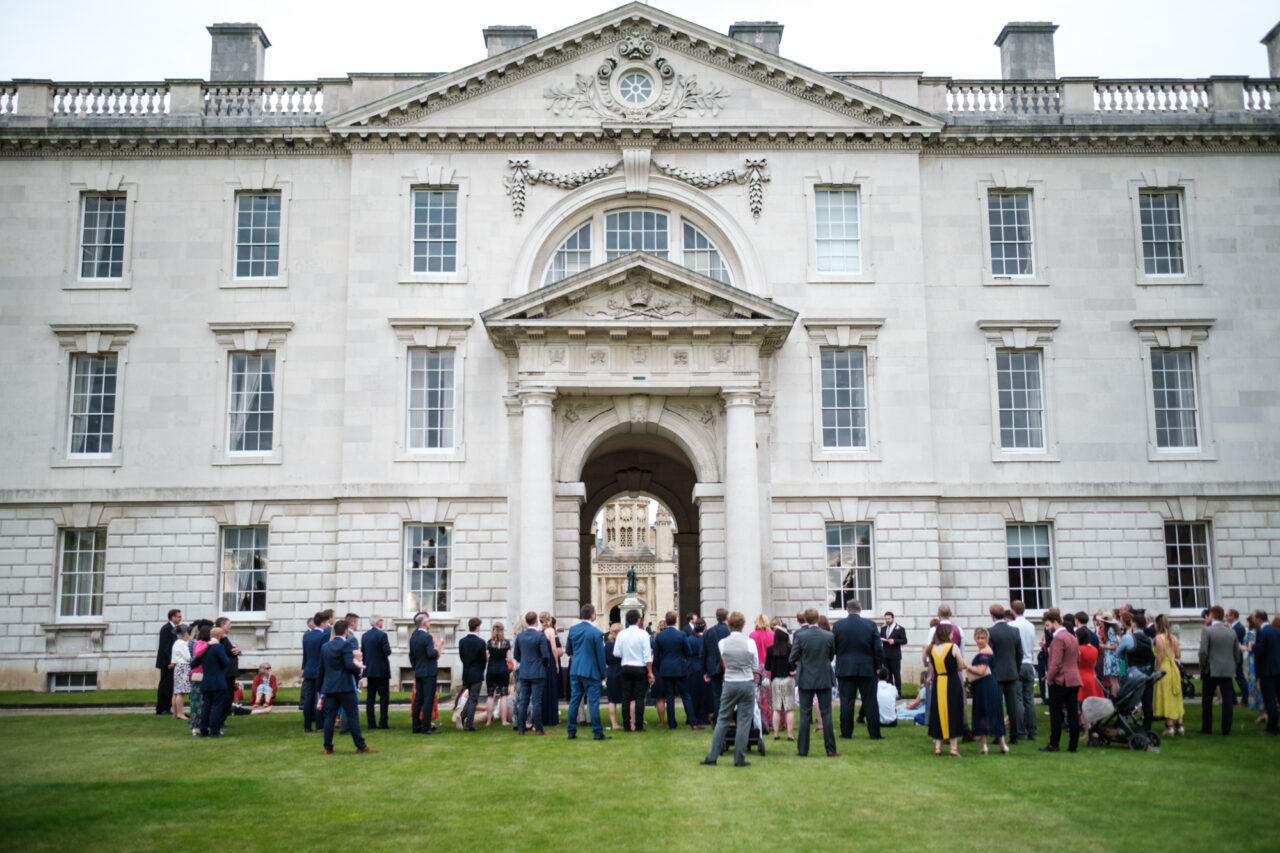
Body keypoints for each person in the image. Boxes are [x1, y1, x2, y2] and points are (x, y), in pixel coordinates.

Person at [700, 611, 760, 767]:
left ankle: (712, 756)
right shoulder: (750, 643)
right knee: (744, 721)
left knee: (722, 720)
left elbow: (724, 661)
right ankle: (739, 758)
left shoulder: (722, 643)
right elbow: (755, 666)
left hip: (730, 682)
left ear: (729, 624)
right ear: (743, 625)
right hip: (746, 682)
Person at [320, 619, 376, 754]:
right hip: (344, 686)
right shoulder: (346, 645)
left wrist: (320, 688)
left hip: (329, 687)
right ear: (346, 631)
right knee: (352, 716)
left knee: (329, 718)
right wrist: (360, 672)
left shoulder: (325, 646)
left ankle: (327, 747)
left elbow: (321, 669)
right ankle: (361, 746)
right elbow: (349, 665)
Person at [832, 598, 883, 741]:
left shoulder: (838, 626)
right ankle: (874, 733)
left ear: (847, 610)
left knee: (846, 702)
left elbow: (833, 647)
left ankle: (846, 732)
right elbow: (878, 649)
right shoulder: (870, 625)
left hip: (846, 667)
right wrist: (878, 666)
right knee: (870, 701)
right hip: (867, 667)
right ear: (860, 610)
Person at [791, 607, 838, 758]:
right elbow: (831, 656)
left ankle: (803, 750)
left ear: (806, 619)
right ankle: (830, 749)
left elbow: (792, 657)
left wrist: (803, 663)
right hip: (823, 676)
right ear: (817, 619)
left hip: (806, 678)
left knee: (805, 714)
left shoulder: (800, 636)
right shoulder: (828, 635)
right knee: (826, 714)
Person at [1040, 608, 1082, 754]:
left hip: (1060, 680)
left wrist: (1049, 678)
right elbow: (1078, 658)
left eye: (1047, 625)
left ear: (1055, 622)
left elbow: (1056, 663)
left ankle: (1054, 744)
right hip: (1074, 678)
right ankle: (1073, 746)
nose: (1047, 629)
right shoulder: (1072, 636)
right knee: (1072, 713)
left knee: (1056, 713)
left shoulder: (1058, 638)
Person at [565, 603, 609, 740]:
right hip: (591, 671)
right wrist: (604, 675)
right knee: (594, 703)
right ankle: (597, 732)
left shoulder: (573, 630)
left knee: (574, 701)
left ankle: (571, 731)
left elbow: (568, 650)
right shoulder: (596, 632)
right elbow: (600, 656)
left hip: (575, 669)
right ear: (592, 615)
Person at [986, 604, 1023, 745]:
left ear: (992, 616)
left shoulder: (991, 632)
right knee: (1012, 705)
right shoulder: (1014, 631)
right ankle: (1015, 735)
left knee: (997, 706)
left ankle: (999, 735)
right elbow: (1019, 653)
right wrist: (1016, 669)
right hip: (1012, 672)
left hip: (997, 673)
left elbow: (990, 655)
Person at [967, 627, 1008, 755]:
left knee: (987, 712)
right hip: (984, 685)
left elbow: (980, 671)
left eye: (982, 638)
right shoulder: (985, 651)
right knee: (987, 713)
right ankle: (993, 745)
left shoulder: (985, 652)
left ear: (987, 639)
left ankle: (994, 745)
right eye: (978, 638)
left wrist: (966, 666)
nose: (980, 640)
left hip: (986, 685)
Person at [927, 623, 965, 756]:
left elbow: (931, 666)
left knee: (938, 711)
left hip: (938, 681)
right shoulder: (953, 647)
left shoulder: (931, 648)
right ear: (946, 634)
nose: (952, 635)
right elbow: (960, 665)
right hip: (952, 681)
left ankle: (938, 746)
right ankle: (953, 748)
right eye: (950, 633)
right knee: (953, 711)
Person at [654, 610, 697, 729]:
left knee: (670, 696)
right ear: (676, 620)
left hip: (666, 668)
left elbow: (656, 655)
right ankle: (693, 722)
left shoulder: (660, 636)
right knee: (686, 695)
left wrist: (659, 668)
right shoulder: (681, 635)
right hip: (679, 667)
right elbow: (688, 651)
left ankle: (672, 724)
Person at [1199, 605, 1237, 735]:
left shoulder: (1207, 631)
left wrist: (1203, 666)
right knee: (1227, 700)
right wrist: (1233, 665)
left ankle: (1207, 727)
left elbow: (1203, 652)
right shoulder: (1231, 632)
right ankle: (1226, 729)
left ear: (1212, 615)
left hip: (1211, 668)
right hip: (1227, 669)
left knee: (1207, 699)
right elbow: (1236, 652)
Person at [614, 609, 654, 732]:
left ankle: (626, 725)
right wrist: (650, 672)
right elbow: (647, 656)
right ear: (638, 620)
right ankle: (638, 725)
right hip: (640, 667)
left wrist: (627, 654)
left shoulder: (621, 634)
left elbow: (616, 653)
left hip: (626, 666)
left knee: (626, 697)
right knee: (639, 698)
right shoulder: (643, 634)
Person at [513, 610, 551, 735]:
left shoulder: (520, 636)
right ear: (536, 621)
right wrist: (543, 665)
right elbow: (545, 655)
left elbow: (516, 655)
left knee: (523, 700)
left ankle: (521, 728)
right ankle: (539, 729)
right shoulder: (540, 636)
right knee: (536, 701)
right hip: (537, 671)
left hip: (524, 672)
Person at [193, 626, 231, 738]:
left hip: (206, 681)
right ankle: (215, 730)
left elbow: (194, 663)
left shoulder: (204, 647)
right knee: (217, 706)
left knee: (206, 706)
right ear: (220, 636)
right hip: (218, 681)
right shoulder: (218, 647)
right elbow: (226, 662)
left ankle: (203, 730)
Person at [1007, 600, 1038, 741]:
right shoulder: (1031, 626)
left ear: (1012, 610)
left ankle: (1020, 731)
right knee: (1029, 699)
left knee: (1018, 699)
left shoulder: (1012, 625)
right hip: (1029, 662)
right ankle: (1032, 731)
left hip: (1018, 663)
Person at [1150, 614, 1184, 736]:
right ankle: (1180, 725)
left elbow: (1159, 657)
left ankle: (1169, 726)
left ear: (1157, 624)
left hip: (1164, 668)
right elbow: (1178, 655)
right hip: (1174, 668)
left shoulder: (1159, 638)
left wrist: (1156, 671)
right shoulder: (1173, 638)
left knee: (1166, 696)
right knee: (1176, 695)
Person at [408, 612, 439, 735]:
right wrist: (437, 650)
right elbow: (431, 654)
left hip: (419, 671)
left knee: (418, 699)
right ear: (424, 623)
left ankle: (416, 726)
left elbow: (411, 656)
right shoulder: (427, 637)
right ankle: (426, 727)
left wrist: (416, 667)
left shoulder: (413, 636)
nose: (430, 623)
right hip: (429, 671)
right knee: (428, 700)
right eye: (429, 621)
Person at [360, 614, 392, 730]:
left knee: (370, 698)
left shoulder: (365, 636)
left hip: (370, 670)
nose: (382, 622)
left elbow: (363, 652)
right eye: (381, 620)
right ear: (377, 622)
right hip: (381, 670)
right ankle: (383, 722)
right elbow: (387, 652)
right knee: (384, 697)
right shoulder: (382, 635)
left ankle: (371, 722)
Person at [1251, 609, 1280, 736]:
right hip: (1278, 669)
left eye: (1253, 618)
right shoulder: (1277, 630)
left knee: (1270, 700)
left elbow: (1260, 650)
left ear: (1259, 619)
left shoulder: (1262, 632)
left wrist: (1252, 646)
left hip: (1267, 671)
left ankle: (1272, 727)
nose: (1252, 620)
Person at [300, 611, 329, 733]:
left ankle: (307, 725)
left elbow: (306, 655)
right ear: (322, 623)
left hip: (308, 669)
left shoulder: (306, 636)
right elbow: (324, 654)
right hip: (319, 670)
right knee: (319, 697)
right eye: (326, 622)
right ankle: (319, 725)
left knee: (308, 698)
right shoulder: (324, 636)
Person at [457, 617, 487, 731]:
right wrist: (481, 669)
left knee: (471, 697)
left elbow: (462, 657)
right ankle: (469, 724)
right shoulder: (480, 642)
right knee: (473, 698)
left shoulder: (462, 641)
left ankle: (462, 716)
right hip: (476, 672)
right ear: (477, 627)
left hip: (467, 672)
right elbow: (483, 659)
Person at [767, 627, 796, 741]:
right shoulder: (790, 649)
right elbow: (793, 664)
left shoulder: (770, 650)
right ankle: (790, 734)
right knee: (789, 708)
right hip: (788, 679)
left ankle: (776, 734)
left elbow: (767, 666)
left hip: (775, 680)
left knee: (777, 708)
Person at [702, 608, 730, 723]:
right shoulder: (730, 631)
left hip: (713, 667)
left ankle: (719, 720)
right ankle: (728, 718)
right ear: (726, 617)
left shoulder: (708, 632)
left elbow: (703, 653)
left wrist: (705, 671)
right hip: (728, 666)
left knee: (717, 695)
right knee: (729, 695)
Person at [213, 617, 241, 731]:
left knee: (228, 696)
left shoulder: (225, 638)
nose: (230, 626)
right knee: (226, 697)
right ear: (222, 625)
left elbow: (233, 651)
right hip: (226, 672)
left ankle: (221, 720)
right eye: (229, 624)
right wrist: (235, 649)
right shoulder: (220, 639)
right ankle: (219, 721)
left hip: (229, 671)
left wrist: (237, 649)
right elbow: (229, 652)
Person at [748, 614, 774, 731]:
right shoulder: (772, 635)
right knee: (769, 695)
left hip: (756, 668)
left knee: (757, 695)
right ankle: (771, 719)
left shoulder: (752, 635)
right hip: (769, 667)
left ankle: (759, 720)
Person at [155, 608, 181, 716]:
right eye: (178, 616)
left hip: (171, 661)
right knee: (165, 685)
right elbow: (164, 647)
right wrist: (169, 661)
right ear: (172, 617)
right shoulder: (166, 629)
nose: (180, 618)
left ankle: (166, 707)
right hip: (167, 662)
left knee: (170, 685)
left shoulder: (173, 628)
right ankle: (162, 708)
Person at [187, 622, 211, 737]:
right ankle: (196, 726)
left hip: (207, 675)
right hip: (198, 676)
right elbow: (197, 654)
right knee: (197, 703)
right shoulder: (199, 643)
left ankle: (204, 725)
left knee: (205, 703)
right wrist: (208, 644)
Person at [540, 612, 561, 727]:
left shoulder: (539, 631)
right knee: (552, 688)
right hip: (550, 662)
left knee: (542, 690)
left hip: (542, 662)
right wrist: (557, 663)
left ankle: (542, 717)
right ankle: (552, 718)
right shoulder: (550, 631)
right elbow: (553, 648)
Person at [880, 611, 907, 696]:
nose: (887, 620)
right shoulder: (883, 628)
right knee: (888, 674)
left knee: (896, 674)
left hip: (895, 655)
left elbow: (904, 641)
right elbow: (881, 637)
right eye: (886, 619)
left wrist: (895, 641)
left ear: (892, 618)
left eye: (888, 618)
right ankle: (890, 692)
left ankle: (898, 692)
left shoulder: (900, 628)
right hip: (885, 654)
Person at [1244, 612, 1263, 724]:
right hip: (1261, 661)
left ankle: (1261, 713)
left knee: (1255, 687)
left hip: (1253, 662)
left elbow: (1249, 647)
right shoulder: (1262, 632)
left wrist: (1242, 647)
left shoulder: (1250, 633)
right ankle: (1265, 712)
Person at [169, 623, 192, 721]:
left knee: (176, 691)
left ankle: (175, 713)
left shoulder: (176, 642)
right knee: (181, 692)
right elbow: (188, 657)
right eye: (188, 633)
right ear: (184, 634)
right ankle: (180, 713)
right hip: (183, 667)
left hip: (178, 667)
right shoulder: (182, 644)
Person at [604, 622, 624, 731]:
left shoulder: (608, 644)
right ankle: (629, 721)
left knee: (612, 699)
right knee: (626, 697)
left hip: (611, 671)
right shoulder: (622, 643)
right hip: (622, 669)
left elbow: (605, 659)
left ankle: (614, 723)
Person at [1098, 611, 1121, 695]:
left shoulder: (1110, 630)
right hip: (1112, 657)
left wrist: (1102, 645)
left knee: (1113, 681)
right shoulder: (1111, 629)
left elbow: (1114, 646)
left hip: (1111, 657)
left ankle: (1115, 698)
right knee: (1114, 681)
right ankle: (1116, 698)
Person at [1228, 608, 1248, 705]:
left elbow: (1233, 641)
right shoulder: (1232, 627)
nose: (1226, 617)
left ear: (1233, 616)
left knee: (1239, 678)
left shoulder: (1239, 628)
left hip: (1236, 656)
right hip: (1231, 656)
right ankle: (1233, 699)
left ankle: (1245, 699)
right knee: (1230, 678)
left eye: (1228, 615)